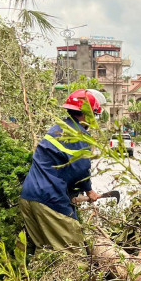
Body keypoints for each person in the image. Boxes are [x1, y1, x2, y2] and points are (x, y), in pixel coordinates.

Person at [19, 89, 101, 251]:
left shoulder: (56, 129)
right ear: (87, 115)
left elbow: (59, 167)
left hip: (28, 197)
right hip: (50, 200)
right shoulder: (78, 135)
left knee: (46, 253)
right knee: (74, 257)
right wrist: (89, 191)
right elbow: (81, 169)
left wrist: (74, 194)